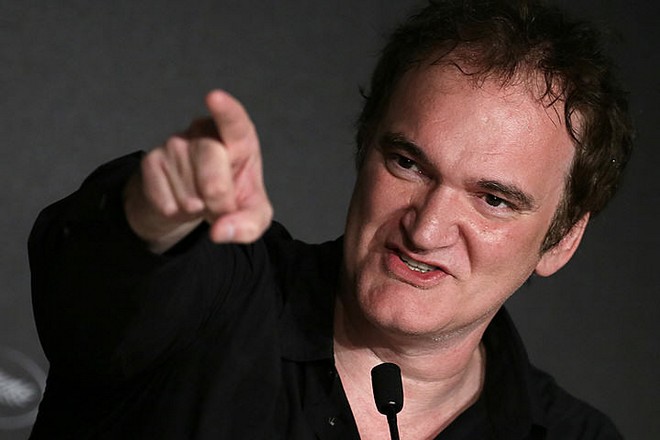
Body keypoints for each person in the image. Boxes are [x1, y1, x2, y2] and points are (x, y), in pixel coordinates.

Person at [28, 0, 633, 438]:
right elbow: (93, 290)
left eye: (492, 200)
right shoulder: (215, 290)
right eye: (408, 164)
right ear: (364, 148)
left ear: (562, 240)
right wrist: (153, 215)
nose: (426, 230)